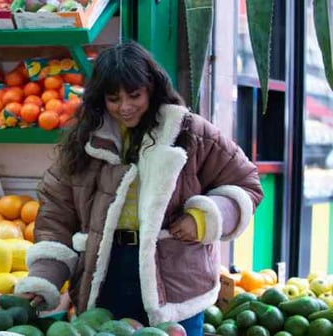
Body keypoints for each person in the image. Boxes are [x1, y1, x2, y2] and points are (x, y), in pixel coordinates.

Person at [14, 41, 264, 335]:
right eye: (113, 99)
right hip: (105, 274)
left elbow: (246, 184)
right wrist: (46, 277)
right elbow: (56, 213)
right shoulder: (84, 140)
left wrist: (203, 218)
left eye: (135, 95)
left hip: (176, 278)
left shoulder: (191, 131)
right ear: (100, 98)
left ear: (152, 89)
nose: (125, 107)